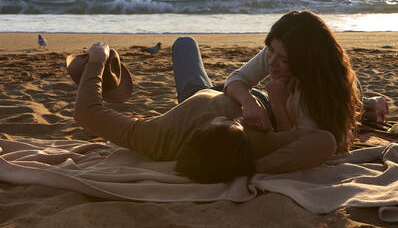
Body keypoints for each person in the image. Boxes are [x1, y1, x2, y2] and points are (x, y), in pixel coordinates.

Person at [73, 42, 336, 184]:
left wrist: (97, 60)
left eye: (228, 121)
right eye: (238, 125)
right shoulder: (252, 145)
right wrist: (248, 168)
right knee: (306, 84)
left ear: (194, 135)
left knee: (184, 43)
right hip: (259, 99)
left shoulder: (157, 137)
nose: (238, 119)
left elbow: (87, 113)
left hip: (197, 92)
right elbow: (324, 141)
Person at [223, 10, 362, 153]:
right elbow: (236, 79)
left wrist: (278, 103)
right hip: (262, 99)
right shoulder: (278, 51)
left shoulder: (317, 94)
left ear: (306, 61)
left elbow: (291, 145)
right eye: (270, 50)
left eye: (283, 60)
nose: (272, 62)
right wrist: (249, 102)